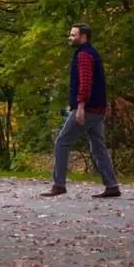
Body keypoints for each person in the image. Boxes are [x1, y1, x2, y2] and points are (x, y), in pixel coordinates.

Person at [42, 23, 121, 198]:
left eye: (73, 35)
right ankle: (112, 185)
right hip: (97, 109)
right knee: (98, 148)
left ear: (83, 37)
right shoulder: (91, 53)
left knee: (62, 143)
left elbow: (85, 83)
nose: (70, 38)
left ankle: (59, 184)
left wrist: (80, 107)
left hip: (88, 109)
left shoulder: (84, 55)